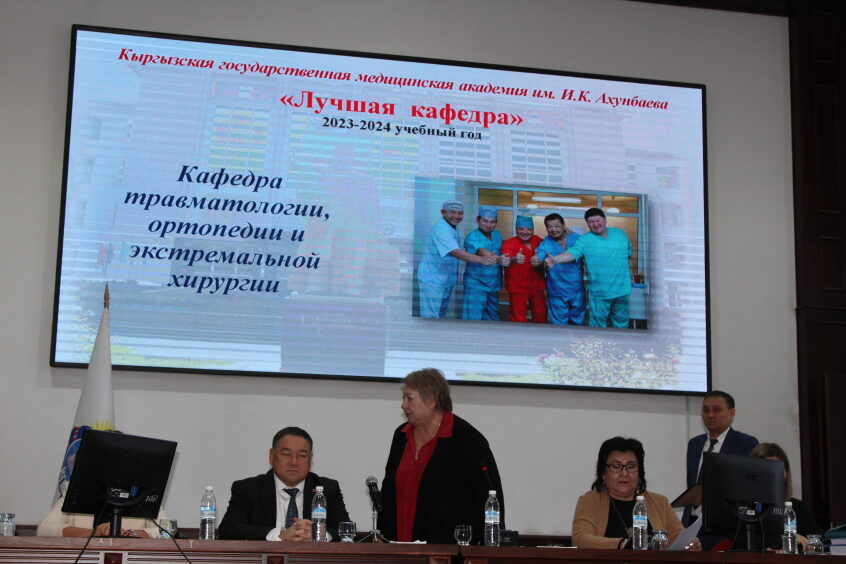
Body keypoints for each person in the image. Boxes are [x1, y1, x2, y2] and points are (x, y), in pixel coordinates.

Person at [379, 368, 504, 544]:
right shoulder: (401, 435)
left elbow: (488, 496)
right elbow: (388, 491)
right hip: (399, 545)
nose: (403, 405)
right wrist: (382, 536)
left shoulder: (466, 439)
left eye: (410, 398)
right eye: (403, 398)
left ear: (431, 401)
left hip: (448, 548)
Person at [218, 427, 350, 541]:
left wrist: (319, 534)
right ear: (271, 456)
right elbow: (228, 529)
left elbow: (346, 530)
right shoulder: (248, 489)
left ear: (310, 459)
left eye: (302, 456)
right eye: (286, 454)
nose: (294, 462)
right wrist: (278, 535)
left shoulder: (327, 489)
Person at [572, 436, 696, 550]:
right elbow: (580, 539)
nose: (624, 473)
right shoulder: (590, 501)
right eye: (616, 466)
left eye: (631, 467)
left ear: (640, 472)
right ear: (603, 473)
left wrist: (690, 544)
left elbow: (679, 538)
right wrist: (622, 544)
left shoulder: (660, 502)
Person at [544, 208, 632, 328]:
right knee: (597, 327)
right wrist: (555, 259)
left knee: (622, 324)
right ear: (587, 224)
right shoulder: (584, 240)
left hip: (622, 290)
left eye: (598, 220)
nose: (595, 224)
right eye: (591, 222)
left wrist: (630, 275)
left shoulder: (620, 234)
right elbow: (572, 253)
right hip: (600, 293)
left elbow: (628, 255)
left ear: (605, 220)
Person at [683, 390, 759, 526]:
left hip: (726, 524)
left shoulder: (745, 444)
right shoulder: (694, 444)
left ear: (732, 413)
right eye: (706, 410)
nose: (710, 415)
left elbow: (750, 487)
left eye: (717, 410)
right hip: (693, 522)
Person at [417, 201, 497, 318]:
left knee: (440, 314)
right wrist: (481, 260)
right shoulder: (442, 229)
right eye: (452, 212)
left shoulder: (451, 227)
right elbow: (455, 252)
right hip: (433, 280)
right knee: (431, 316)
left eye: (460, 213)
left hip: (445, 279)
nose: (456, 216)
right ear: (443, 212)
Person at [749, 442, 824, 551]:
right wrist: (782, 540)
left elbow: (819, 539)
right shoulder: (746, 507)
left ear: (786, 473)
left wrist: (809, 544)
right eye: (767, 468)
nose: (773, 474)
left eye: (778, 469)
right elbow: (739, 541)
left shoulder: (797, 507)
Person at [535, 213, 585, 325]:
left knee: (578, 324)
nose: (553, 229)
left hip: (576, 290)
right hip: (556, 291)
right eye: (549, 227)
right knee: (558, 326)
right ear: (546, 228)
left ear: (563, 225)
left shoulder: (576, 238)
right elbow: (538, 258)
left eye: (557, 226)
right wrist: (535, 260)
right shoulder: (545, 244)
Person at [37, 496, 165, 537]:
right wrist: (95, 533)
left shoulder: (143, 495)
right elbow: (44, 529)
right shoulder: (74, 492)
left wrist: (130, 535)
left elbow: (167, 532)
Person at [500, 215, 547, 323]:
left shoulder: (539, 241)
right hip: (517, 287)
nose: (525, 232)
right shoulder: (509, 243)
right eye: (521, 229)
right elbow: (506, 260)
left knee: (540, 315)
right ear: (516, 229)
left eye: (529, 229)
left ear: (533, 230)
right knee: (518, 318)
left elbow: (551, 244)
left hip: (536, 286)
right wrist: (515, 259)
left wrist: (567, 232)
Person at [462, 205, 503, 321]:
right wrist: (490, 255)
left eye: (492, 222)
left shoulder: (497, 235)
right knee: (473, 317)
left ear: (496, 223)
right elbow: (480, 250)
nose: (488, 225)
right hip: (476, 284)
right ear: (478, 220)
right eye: (485, 221)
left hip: (493, 283)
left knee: (493, 316)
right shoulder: (472, 237)